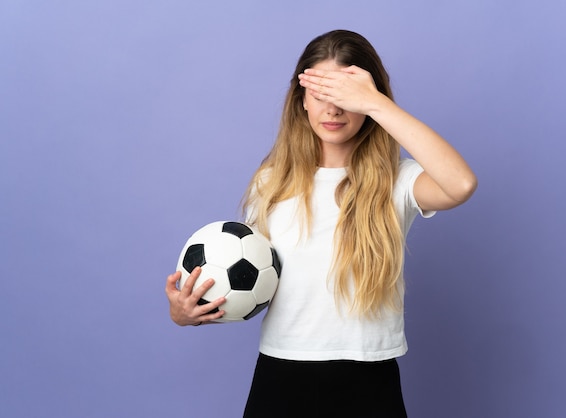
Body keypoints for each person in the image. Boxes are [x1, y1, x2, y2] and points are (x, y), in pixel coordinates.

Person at [165, 29, 477, 417]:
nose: (333, 110)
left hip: (369, 376)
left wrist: (378, 104)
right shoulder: (272, 182)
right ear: (302, 102)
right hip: (281, 374)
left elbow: (461, 184)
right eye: (321, 95)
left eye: (347, 97)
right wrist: (189, 314)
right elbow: (252, 281)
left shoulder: (397, 180)